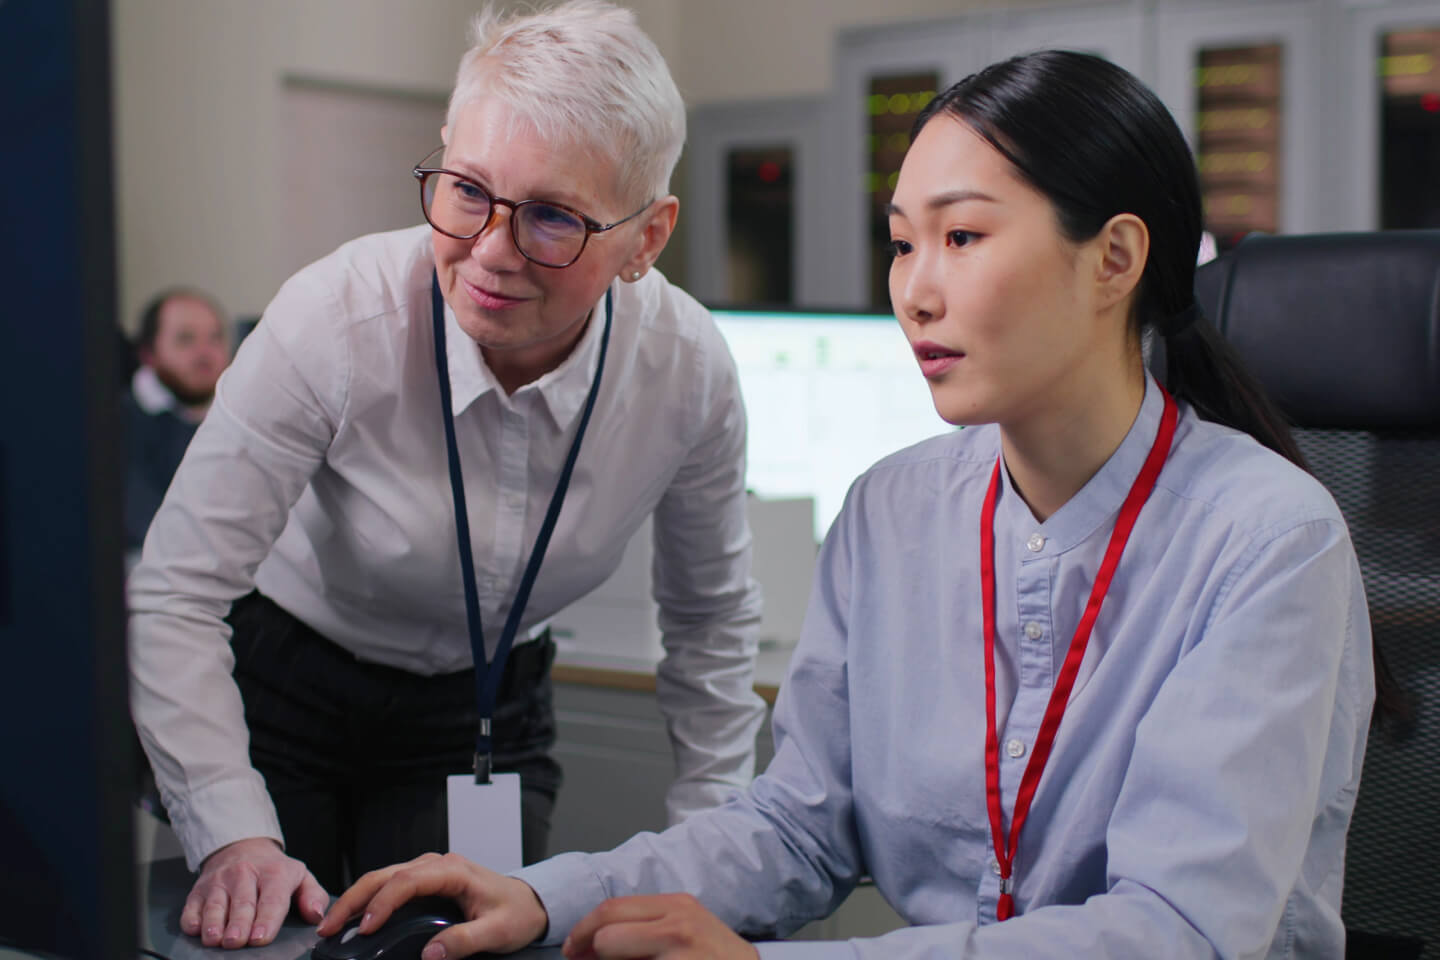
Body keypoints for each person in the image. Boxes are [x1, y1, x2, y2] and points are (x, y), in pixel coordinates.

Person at [319, 51, 1377, 960]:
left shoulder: (1265, 542)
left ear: (1114, 259)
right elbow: (798, 825)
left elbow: (1178, 934)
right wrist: (551, 897)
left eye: (962, 239)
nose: (914, 288)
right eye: (903, 241)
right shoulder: (891, 513)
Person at [127, 1, 767, 950]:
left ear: (648, 237)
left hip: (483, 710)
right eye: (468, 190)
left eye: (553, 216)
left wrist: (709, 857)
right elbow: (175, 592)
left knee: (461, 944)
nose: (493, 254)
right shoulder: (332, 321)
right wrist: (232, 832)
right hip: (282, 693)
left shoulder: (687, 371)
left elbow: (711, 628)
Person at [121, 287, 230, 553]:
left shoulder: (243, 412)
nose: (205, 353)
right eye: (185, 339)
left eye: (215, 338)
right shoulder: (117, 425)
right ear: (148, 354)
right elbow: (150, 528)